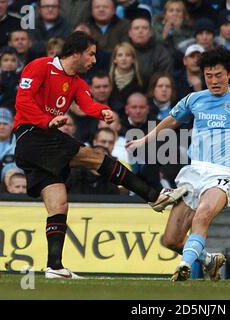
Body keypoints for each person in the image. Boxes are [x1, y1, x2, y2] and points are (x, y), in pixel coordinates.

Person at [13, 32, 187, 279]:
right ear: (76, 52)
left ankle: (54, 267)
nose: (94, 59)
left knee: (59, 202)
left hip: (43, 144)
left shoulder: (77, 82)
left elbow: (87, 105)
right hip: (31, 135)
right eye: (91, 54)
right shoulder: (40, 66)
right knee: (95, 158)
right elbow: (23, 101)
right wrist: (47, 120)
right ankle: (153, 195)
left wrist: (102, 112)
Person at [126, 47, 230, 281]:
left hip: (221, 174)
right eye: (209, 76)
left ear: (229, 74)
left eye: (218, 75)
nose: (214, 81)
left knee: (202, 216)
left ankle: (184, 266)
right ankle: (209, 259)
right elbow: (171, 120)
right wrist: (145, 139)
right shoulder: (195, 99)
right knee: (171, 240)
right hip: (194, 173)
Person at [108, 42, 144, 116]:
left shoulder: (142, 81)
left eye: (128, 55)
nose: (124, 58)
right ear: (115, 59)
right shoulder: (107, 81)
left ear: (133, 59)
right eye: (120, 55)